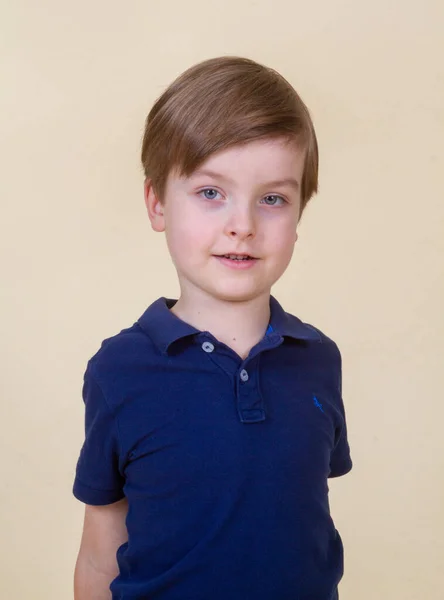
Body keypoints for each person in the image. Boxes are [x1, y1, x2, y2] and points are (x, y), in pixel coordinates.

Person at [73, 56, 353, 600]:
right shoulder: (119, 370)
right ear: (157, 203)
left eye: (272, 199)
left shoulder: (319, 360)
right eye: (210, 193)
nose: (242, 225)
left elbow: (299, 528)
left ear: (299, 214)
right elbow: (99, 551)